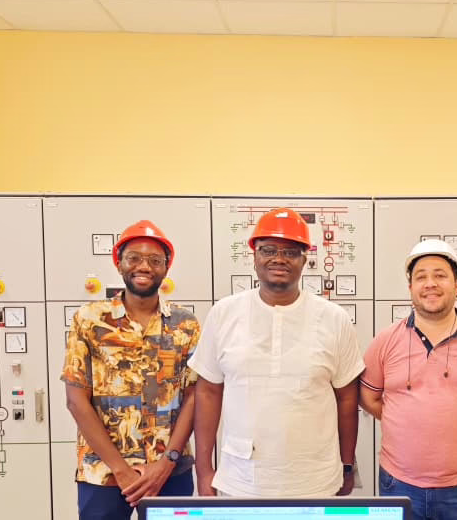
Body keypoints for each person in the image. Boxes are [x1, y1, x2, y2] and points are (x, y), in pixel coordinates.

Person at [190, 207, 365, 497]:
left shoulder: (334, 318)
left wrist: (347, 465)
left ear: (304, 260)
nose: (279, 259)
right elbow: (208, 392)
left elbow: (347, 398)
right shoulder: (224, 313)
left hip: (315, 480)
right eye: (268, 250)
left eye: (290, 252)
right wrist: (204, 468)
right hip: (242, 478)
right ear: (254, 256)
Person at [360, 239, 457, 520]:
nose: (430, 284)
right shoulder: (385, 341)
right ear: (410, 287)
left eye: (440, 275)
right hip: (398, 482)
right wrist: (402, 419)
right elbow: (368, 397)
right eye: (421, 277)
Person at [61, 219, 200, 520]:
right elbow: (76, 400)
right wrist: (121, 470)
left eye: (154, 260)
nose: (144, 266)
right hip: (104, 473)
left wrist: (166, 463)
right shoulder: (89, 320)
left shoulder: (185, 325)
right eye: (134, 258)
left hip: (170, 472)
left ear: (166, 267)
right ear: (119, 263)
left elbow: (194, 397)